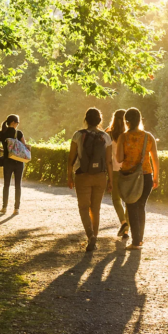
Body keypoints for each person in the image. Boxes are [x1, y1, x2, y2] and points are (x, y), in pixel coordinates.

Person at [67, 108, 114, 252]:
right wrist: (110, 180)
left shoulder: (78, 135)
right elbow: (109, 162)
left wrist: (69, 176)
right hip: (100, 176)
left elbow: (71, 159)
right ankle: (95, 236)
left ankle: (90, 236)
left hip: (82, 175)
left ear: (86, 120)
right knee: (95, 209)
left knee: (83, 208)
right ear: (100, 121)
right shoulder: (106, 137)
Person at [116, 108, 159, 251]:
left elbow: (119, 158)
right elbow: (155, 159)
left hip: (129, 177)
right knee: (141, 206)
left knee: (131, 206)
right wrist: (156, 177)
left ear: (126, 122)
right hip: (146, 175)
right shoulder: (148, 137)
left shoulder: (123, 137)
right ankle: (139, 240)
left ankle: (136, 241)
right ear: (140, 120)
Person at [0, 114, 29, 215]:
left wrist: (4, 150)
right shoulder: (19, 133)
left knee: (6, 185)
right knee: (18, 185)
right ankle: (16, 209)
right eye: (17, 122)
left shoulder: (2, 133)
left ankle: (4, 207)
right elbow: (24, 146)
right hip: (19, 162)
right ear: (13, 123)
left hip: (7, 162)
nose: (18, 124)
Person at [106, 110, 129, 239]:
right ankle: (126, 230)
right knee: (128, 201)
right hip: (127, 170)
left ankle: (123, 222)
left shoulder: (108, 134)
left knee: (116, 199)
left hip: (114, 170)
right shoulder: (128, 135)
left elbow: (106, 155)